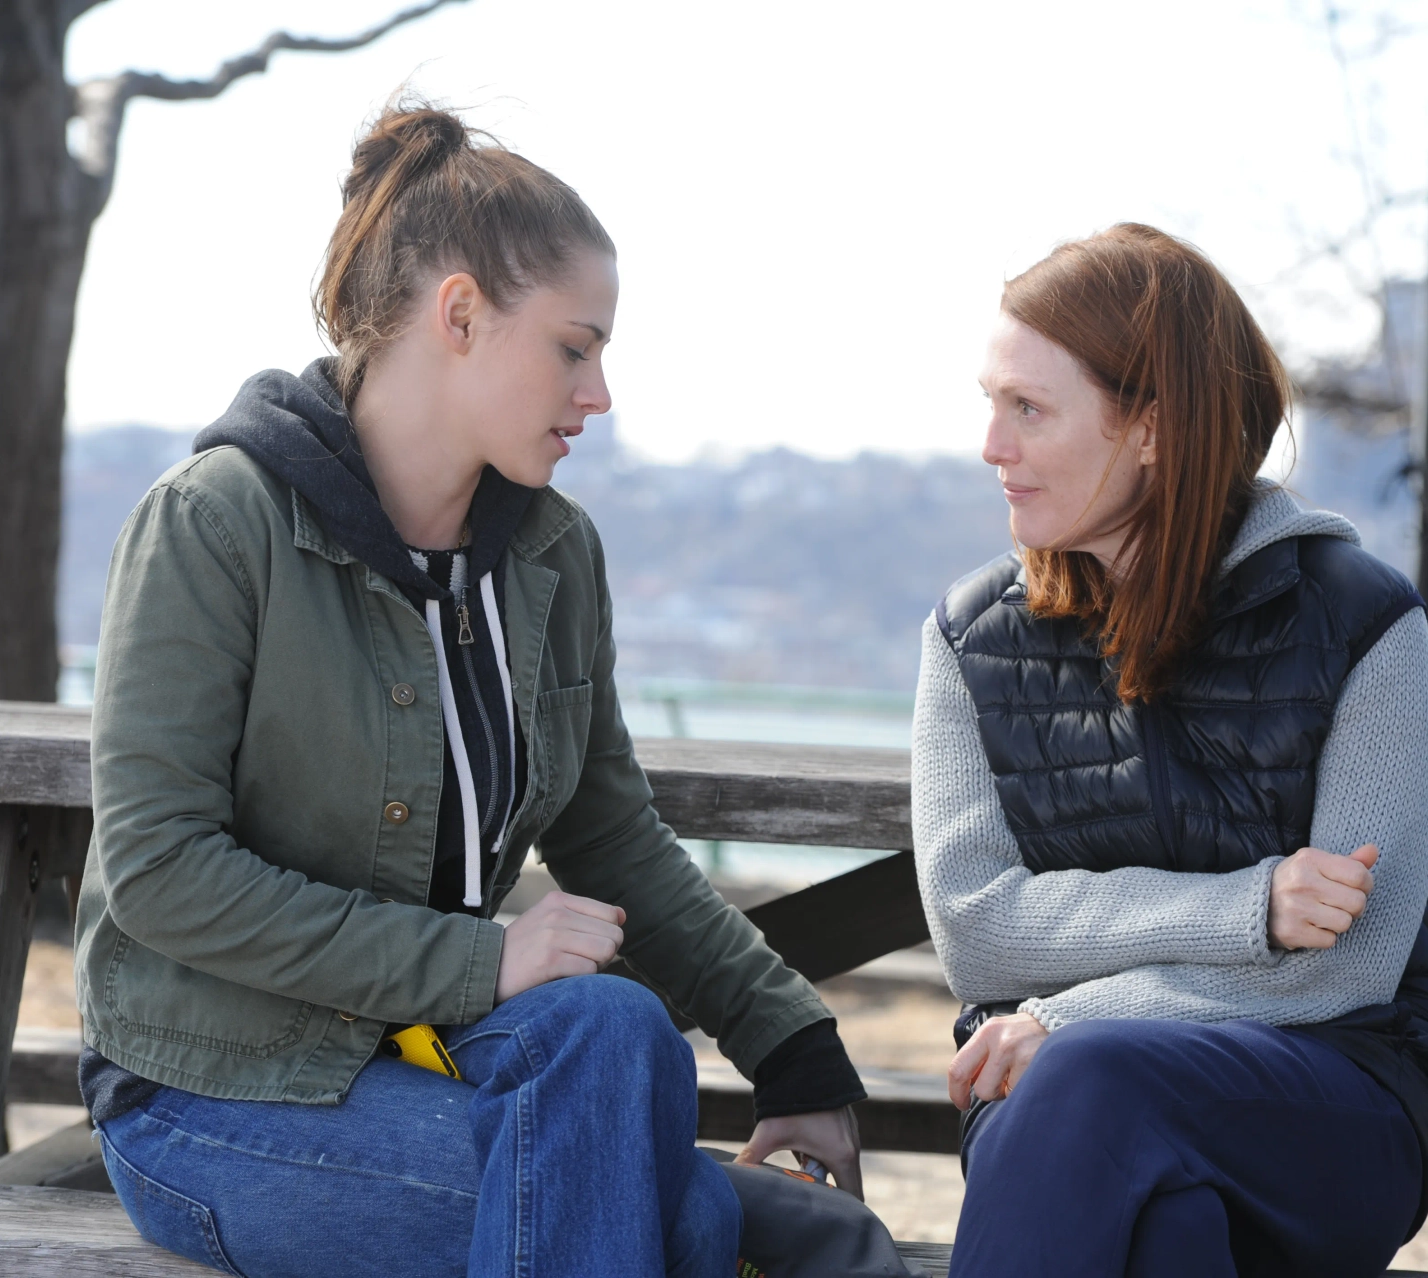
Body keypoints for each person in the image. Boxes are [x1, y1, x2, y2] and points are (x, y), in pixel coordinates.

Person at [72, 100, 866, 1278]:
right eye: (575, 346)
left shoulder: (551, 557)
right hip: (208, 1093)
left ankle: (738, 1210)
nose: (598, 393)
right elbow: (159, 872)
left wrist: (795, 1049)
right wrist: (480, 964)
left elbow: (617, 838)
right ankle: (733, 1210)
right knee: (681, 1228)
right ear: (459, 315)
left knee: (616, 1024)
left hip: (428, 1061)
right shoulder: (215, 525)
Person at [911, 224, 1428, 1278]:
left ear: (1154, 427)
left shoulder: (1362, 624)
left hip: (1331, 1096)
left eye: (1028, 408)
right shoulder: (969, 637)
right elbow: (977, 934)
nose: (992, 443)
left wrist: (1067, 1014)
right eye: (991, 402)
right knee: (1166, 1234)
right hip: (1041, 1095)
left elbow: (1344, 965)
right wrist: (1248, 911)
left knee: (1096, 1086)